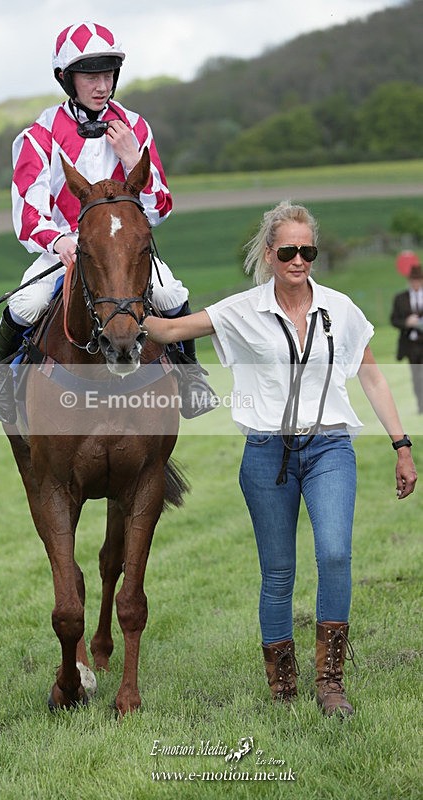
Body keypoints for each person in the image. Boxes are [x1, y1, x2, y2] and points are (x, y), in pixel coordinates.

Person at [143, 200, 417, 716]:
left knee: (335, 554)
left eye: (307, 251)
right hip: (266, 452)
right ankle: (284, 687)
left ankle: (331, 683)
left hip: (331, 446)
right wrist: (124, 307)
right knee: (278, 571)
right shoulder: (240, 311)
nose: (299, 260)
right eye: (288, 251)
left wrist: (401, 444)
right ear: (270, 254)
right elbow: (169, 330)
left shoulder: (341, 309)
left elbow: (373, 376)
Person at [0, 21, 214, 424]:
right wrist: (59, 242)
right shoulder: (39, 135)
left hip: (123, 249)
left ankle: (193, 379)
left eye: (107, 74)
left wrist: (130, 157)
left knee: (171, 293)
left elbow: (160, 207)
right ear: (66, 79)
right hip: (65, 247)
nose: (101, 85)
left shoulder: (137, 127)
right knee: (28, 301)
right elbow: (27, 214)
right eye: (90, 75)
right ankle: (1, 380)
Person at [390, 262, 423, 414]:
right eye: (413, 280)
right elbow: (394, 320)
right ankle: (420, 405)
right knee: (417, 376)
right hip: (410, 345)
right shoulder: (400, 298)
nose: (415, 283)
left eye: (418, 280)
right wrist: (407, 322)